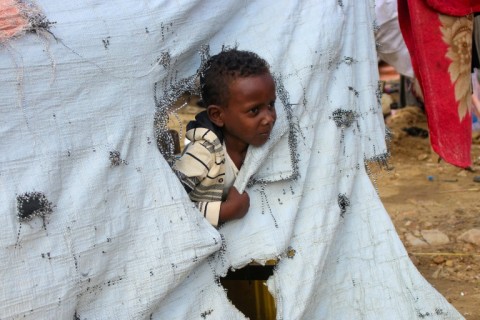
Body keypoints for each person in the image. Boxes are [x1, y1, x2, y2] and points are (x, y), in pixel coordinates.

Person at [173, 49, 277, 227]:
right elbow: (170, 207)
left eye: (271, 105)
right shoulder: (203, 154)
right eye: (254, 110)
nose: (269, 118)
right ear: (218, 115)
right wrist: (225, 211)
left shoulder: (260, 145)